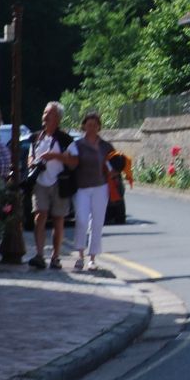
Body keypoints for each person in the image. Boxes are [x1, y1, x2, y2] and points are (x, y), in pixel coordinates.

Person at [66, 110, 116, 273]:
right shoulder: (76, 145)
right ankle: (80, 256)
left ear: (99, 127)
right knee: (81, 219)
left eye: (95, 125)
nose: (92, 128)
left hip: (101, 188)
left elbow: (113, 166)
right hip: (82, 188)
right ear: (84, 126)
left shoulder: (106, 146)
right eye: (89, 125)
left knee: (97, 223)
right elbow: (70, 163)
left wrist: (116, 170)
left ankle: (92, 258)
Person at [26, 102, 73, 271]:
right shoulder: (35, 137)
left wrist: (55, 156)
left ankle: (55, 257)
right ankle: (39, 255)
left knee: (58, 219)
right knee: (39, 217)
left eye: (50, 114)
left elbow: (74, 161)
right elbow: (30, 157)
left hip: (59, 182)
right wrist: (32, 163)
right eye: (45, 112)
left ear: (58, 119)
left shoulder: (66, 139)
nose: (45, 116)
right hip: (40, 183)